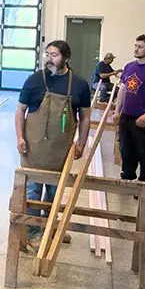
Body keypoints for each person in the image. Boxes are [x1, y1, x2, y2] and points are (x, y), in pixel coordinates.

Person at [15, 40, 92, 249]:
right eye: (47, 54)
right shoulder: (34, 81)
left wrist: (81, 143)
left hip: (60, 152)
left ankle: (49, 229)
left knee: (53, 193)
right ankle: (32, 232)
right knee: (32, 192)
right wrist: (20, 137)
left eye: (54, 55)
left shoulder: (79, 84)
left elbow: (85, 117)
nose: (49, 59)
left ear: (66, 58)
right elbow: (20, 110)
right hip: (34, 149)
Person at [112, 35, 145, 184]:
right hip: (126, 116)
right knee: (126, 149)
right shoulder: (129, 67)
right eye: (135, 46)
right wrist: (117, 111)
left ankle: (144, 183)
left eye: (140, 46)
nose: (136, 49)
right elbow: (123, 89)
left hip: (143, 119)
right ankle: (128, 177)